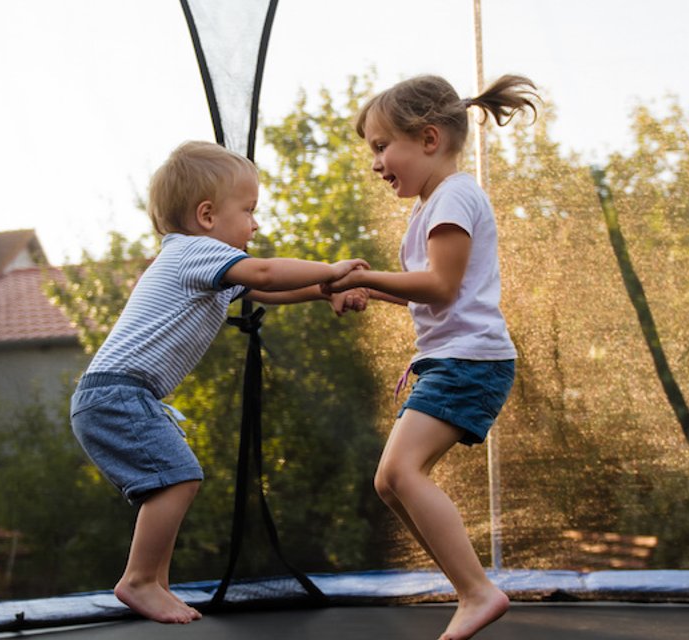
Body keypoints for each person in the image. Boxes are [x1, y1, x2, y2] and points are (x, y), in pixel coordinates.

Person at [70, 140, 369, 624]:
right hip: (116, 394)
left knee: (171, 480)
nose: (256, 223)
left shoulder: (203, 262)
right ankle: (140, 579)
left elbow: (271, 288)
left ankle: (154, 581)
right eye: (249, 210)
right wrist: (333, 269)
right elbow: (268, 272)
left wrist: (324, 292)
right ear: (207, 215)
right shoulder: (193, 252)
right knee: (179, 477)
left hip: (118, 394)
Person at [324, 74, 538, 640]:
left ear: (428, 138)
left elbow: (440, 286)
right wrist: (371, 288)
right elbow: (435, 292)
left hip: (472, 362)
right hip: (452, 359)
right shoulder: (429, 207)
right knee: (390, 484)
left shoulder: (455, 195)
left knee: (400, 472)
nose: (375, 163)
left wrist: (368, 276)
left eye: (379, 146)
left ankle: (477, 592)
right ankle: (469, 587)